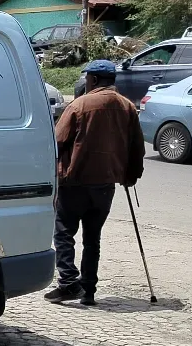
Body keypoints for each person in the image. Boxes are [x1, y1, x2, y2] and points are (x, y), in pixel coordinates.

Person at [45, 60, 145, 306]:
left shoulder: (79, 105)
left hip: (75, 181)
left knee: (64, 232)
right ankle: (88, 290)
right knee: (92, 238)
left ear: (95, 80)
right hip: (105, 184)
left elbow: (57, 141)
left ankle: (68, 283)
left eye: (88, 78)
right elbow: (137, 148)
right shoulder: (128, 108)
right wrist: (130, 176)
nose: (86, 81)